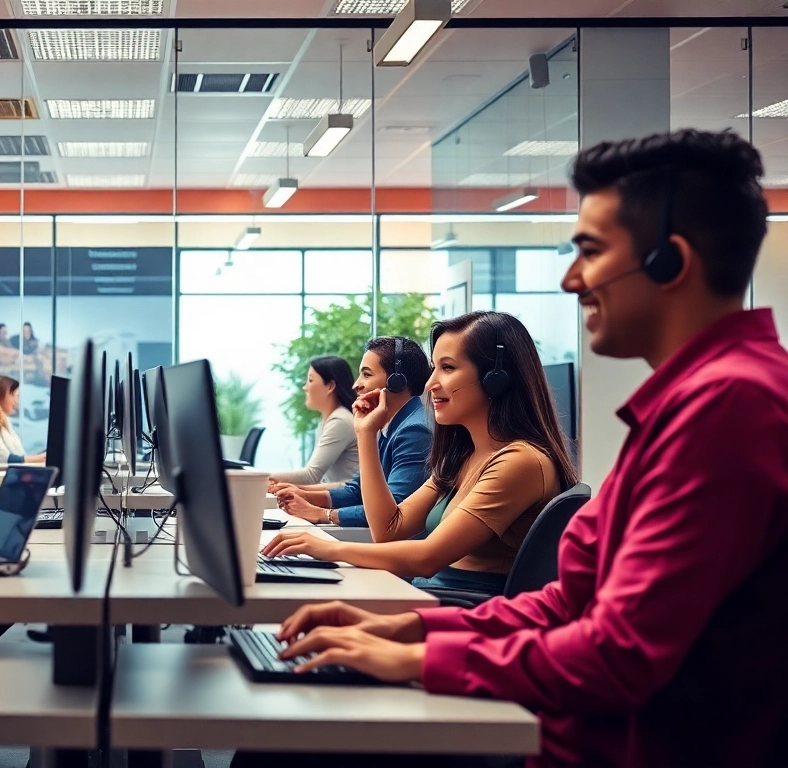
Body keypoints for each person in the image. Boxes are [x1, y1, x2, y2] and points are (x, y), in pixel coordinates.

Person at [260, 130, 788, 767]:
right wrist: (416, 627)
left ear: (668, 264)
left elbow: (618, 655)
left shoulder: (731, 409)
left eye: (589, 252)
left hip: (596, 746)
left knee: (289, 738)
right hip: (560, 725)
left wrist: (421, 659)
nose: (570, 280)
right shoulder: (692, 405)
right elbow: (570, 599)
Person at [263, 312, 576, 595]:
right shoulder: (463, 455)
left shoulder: (519, 462)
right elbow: (389, 530)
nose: (430, 384)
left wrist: (325, 548)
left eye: (448, 368)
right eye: (434, 368)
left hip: (462, 611)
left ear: (496, 378)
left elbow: (427, 557)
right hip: (430, 595)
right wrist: (366, 433)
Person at [270, 336, 433, 527]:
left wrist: (322, 514)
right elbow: (356, 490)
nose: (356, 384)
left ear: (396, 381)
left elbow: (393, 510)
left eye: (367, 374)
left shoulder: (415, 430)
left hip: (401, 545)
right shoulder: (387, 422)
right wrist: (304, 495)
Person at [268, 356, 359, 486]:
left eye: (310, 380)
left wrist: (260, 478)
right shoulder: (328, 420)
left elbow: (310, 476)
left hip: (347, 502)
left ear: (330, 386)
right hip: (336, 497)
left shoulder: (340, 421)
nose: (305, 387)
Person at [0, 375, 46, 468]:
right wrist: (39, 458)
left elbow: (19, 454)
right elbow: (1, 458)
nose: (16, 401)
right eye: (13, 395)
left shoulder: (4, 422)